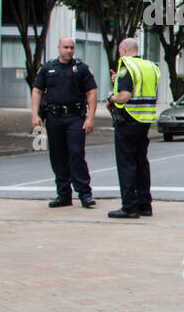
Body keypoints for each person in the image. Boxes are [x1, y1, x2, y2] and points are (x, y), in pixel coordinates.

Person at [30, 37, 98, 209]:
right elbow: (37, 91)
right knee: (57, 156)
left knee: (76, 153)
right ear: (59, 47)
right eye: (66, 47)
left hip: (75, 117)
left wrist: (90, 118)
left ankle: (85, 194)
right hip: (53, 117)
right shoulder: (48, 68)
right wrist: (34, 115)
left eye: (72, 48)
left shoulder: (81, 68)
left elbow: (91, 93)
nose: (69, 50)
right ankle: (63, 194)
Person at [107, 37, 162, 219]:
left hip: (128, 119)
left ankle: (130, 207)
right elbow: (139, 85)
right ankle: (145, 205)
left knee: (126, 163)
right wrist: (118, 80)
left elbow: (124, 95)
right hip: (145, 120)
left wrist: (111, 98)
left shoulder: (125, 65)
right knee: (141, 163)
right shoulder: (151, 67)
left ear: (122, 50)